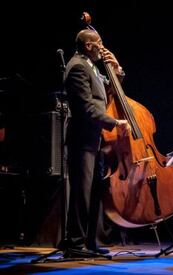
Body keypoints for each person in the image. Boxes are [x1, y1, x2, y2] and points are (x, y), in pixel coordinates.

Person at [63, 29, 130, 255]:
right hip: (82, 137)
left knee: (94, 192)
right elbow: (86, 107)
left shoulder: (91, 67)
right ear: (89, 46)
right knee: (82, 192)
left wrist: (117, 70)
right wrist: (115, 122)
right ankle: (74, 244)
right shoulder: (77, 67)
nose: (103, 48)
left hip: (95, 138)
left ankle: (89, 242)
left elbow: (108, 92)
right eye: (99, 43)